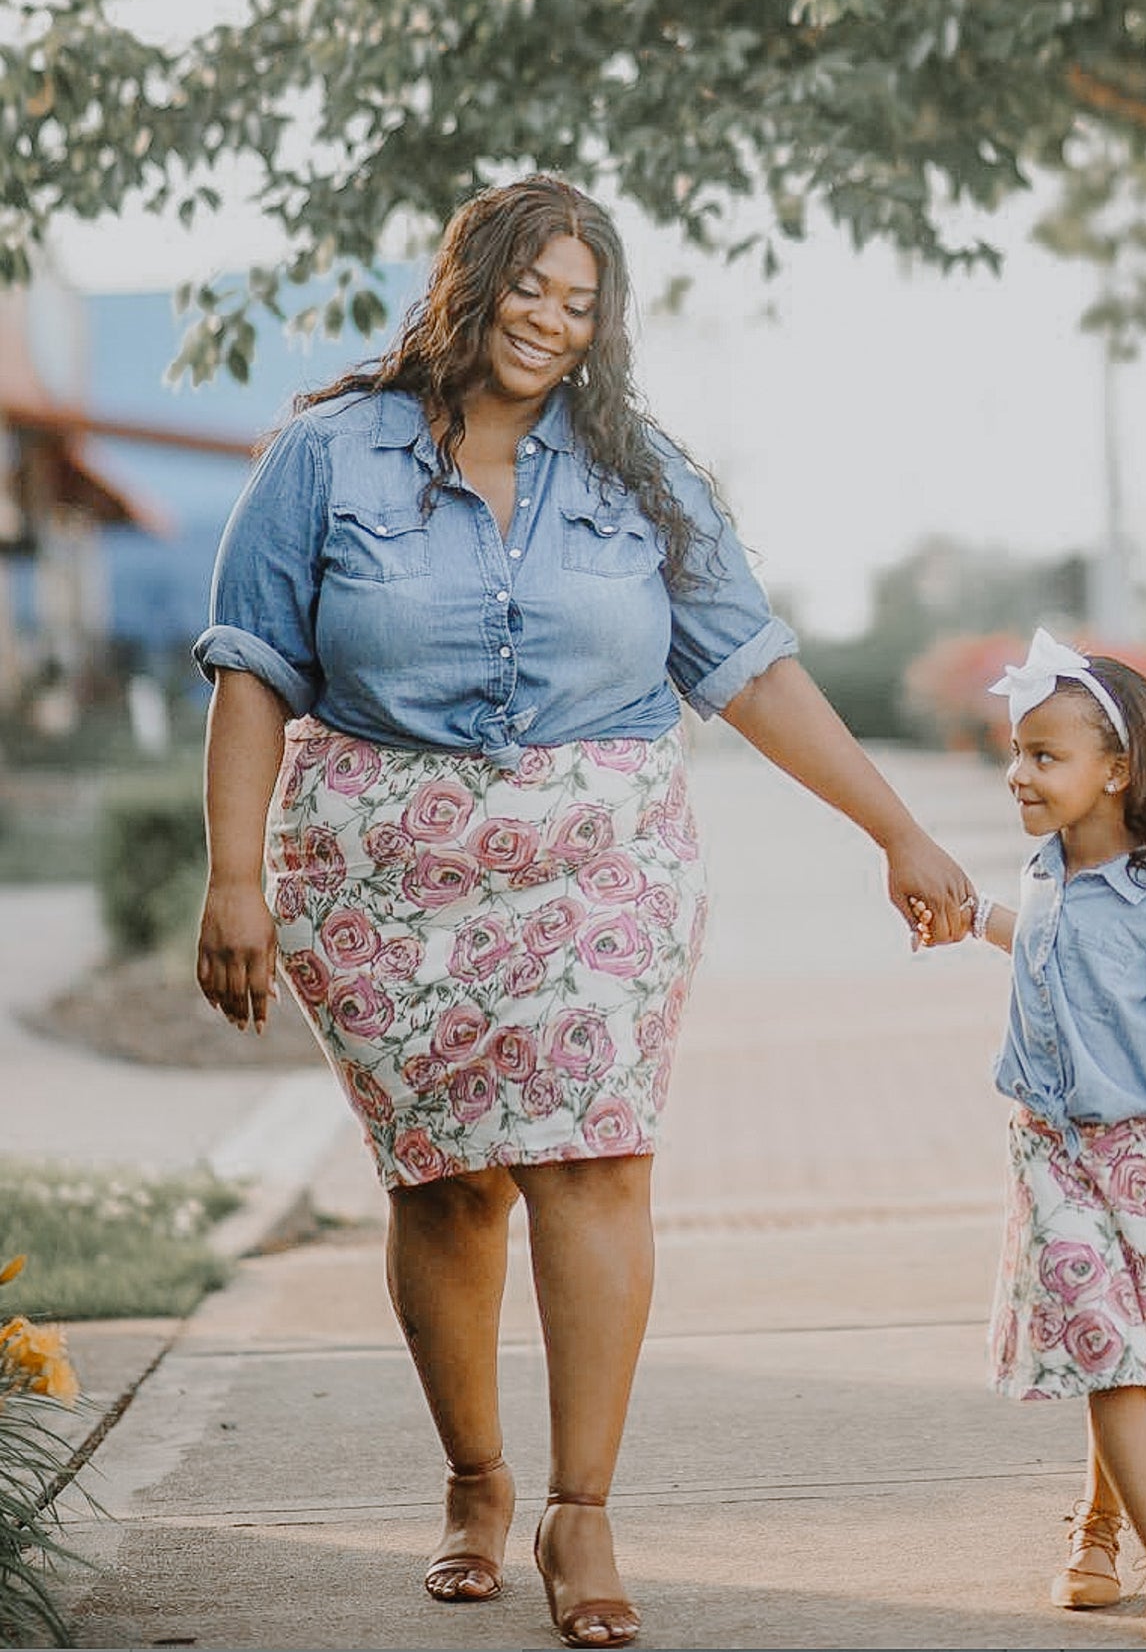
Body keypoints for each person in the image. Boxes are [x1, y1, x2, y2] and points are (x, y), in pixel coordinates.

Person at [192, 175, 974, 1648]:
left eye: (581, 299)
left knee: (597, 1160)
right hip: (384, 868)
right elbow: (251, 671)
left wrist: (900, 830)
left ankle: (582, 1506)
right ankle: (476, 1479)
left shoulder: (640, 473)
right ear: (463, 282)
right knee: (445, 1183)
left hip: (597, 858)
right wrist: (232, 873)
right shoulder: (320, 458)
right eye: (529, 286)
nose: (550, 320)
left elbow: (749, 665)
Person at [946, 629, 1146, 1647]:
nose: (1017, 773)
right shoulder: (1040, 875)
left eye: (1044, 754)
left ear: (1115, 772)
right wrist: (971, 915)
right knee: (1103, 1345)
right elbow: (1040, 943)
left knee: (1116, 1357)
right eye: (1017, 750)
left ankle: (1114, 1540)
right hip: (1049, 1157)